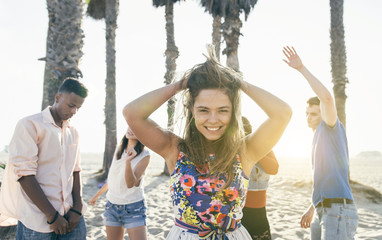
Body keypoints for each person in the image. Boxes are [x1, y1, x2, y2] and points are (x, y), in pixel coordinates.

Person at [123, 45, 292, 239]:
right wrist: (182, 85)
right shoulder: (174, 149)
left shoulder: (245, 151)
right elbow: (132, 112)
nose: (213, 120)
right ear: (192, 111)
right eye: (203, 110)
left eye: (222, 110)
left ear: (233, 112)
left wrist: (238, 83)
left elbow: (283, 113)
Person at [283, 46, 358, 240]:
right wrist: (312, 208)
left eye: (314, 113)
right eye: (307, 113)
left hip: (338, 210)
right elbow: (327, 180)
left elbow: (326, 97)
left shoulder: (330, 127)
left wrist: (301, 68)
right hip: (322, 209)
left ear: (323, 114)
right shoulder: (317, 137)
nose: (309, 117)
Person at [0, 78, 88, 239]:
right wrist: (52, 216)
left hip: (72, 217)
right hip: (38, 221)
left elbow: (75, 170)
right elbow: (25, 175)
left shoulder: (73, 132)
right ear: (58, 97)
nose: (74, 111)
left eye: (78, 108)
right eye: (71, 105)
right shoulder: (30, 125)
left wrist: (77, 208)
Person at [88, 127, 150, 240]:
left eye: (135, 126)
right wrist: (96, 195)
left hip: (134, 208)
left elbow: (131, 183)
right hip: (111, 206)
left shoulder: (145, 155)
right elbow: (112, 178)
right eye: (129, 125)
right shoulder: (119, 149)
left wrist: (128, 162)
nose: (131, 128)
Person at [241, 117, 279, 240]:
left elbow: (273, 169)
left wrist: (255, 150)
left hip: (258, 212)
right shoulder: (229, 150)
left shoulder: (263, 146)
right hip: (237, 211)